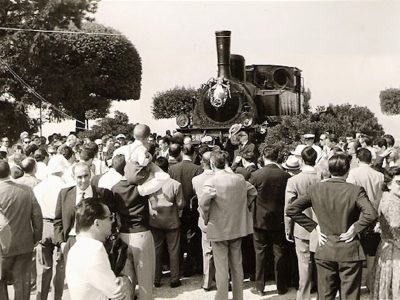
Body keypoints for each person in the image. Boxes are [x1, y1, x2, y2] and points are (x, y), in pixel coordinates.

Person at [286, 153, 378, 300]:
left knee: (325, 296)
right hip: (349, 250)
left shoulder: (315, 189)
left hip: (325, 248)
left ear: (329, 170)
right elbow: (371, 214)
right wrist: (355, 227)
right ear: (348, 171)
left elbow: (291, 209)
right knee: (349, 296)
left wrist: (314, 227)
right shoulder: (355, 190)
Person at [199, 150, 256, 300]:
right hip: (237, 227)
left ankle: (222, 297)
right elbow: (252, 192)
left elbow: (204, 203)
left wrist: (206, 218)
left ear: (212, 163)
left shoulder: (211, 181)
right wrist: (242, 209)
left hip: (218, 228)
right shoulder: (239, 179)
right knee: (237, 265)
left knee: (221, 268)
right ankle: (238, 297)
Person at [66, 198, 129, 300]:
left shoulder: (75, 249)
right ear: (97, 223)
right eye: (110, 217)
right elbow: (117, 293)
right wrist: (125, 280)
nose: (113, 221)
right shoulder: (94, 249)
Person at [249, 146, 291, 295]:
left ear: (263, 156)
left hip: (259, 220)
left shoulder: (256, 175)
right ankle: (281, 286)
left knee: (259, 253)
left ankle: (260, 287)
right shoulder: (285, 175)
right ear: (277, 156)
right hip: (279, 219)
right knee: (279, 252)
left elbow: (249, 195)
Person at [0, 160, 43, 300]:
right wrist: (36, 237)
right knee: (22, 284)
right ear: (9, 172)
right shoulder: (26, 190)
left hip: (2, 247)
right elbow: (37, 215)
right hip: (24, 244)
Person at [284, 147, 320, 300]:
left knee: (304, 263)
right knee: (320, 262)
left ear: (302, 160)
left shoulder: (294, 180)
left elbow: (289, 206)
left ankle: (303, 295)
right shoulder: (323, 177)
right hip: (321, 226)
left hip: (301, 226)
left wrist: (287, 228)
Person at [33, 155, 69, 300]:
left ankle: (41, 297)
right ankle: (56, 297)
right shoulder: (66, 187)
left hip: (44, 226)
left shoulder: (39, 187)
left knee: (43, 267)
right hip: (61, 226)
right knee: (60, 267)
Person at [150, 157, 185, 288]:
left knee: (156, 250)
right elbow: (181, 204)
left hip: (155, 220)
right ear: (168, 168)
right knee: (173, 250)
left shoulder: (151, 184)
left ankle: (156, 278)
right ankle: (174, 279)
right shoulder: (175, 184)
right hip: (172, 221)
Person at [54, 162, 98, 261]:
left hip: (93, 241)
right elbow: (58, 221)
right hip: (71, 241)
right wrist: (61, 243)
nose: (84, 180)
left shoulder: (101, 194)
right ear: (73, 177)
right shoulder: (64, 194)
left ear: (90, 174)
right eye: (79, 177)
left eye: (86, 176)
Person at [372, 166, 400, 299]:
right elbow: (395, 227)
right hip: (394, 250)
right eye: (398, 182)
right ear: (388, 184)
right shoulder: (391, 201)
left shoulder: (389, 197)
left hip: (388, 247)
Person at [192, 151, 216, 291]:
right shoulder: (224, 177)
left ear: (203, 162)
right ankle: (223, 279)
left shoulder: (196, 180)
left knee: (207, 251)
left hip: (205, 218)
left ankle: (207, 281)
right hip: (221, 218)